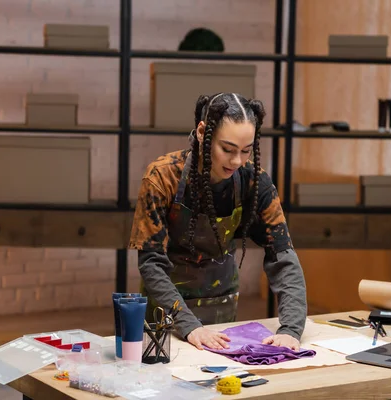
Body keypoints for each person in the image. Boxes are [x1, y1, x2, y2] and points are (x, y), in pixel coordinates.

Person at [128, 92, 307, 352]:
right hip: (165, 314)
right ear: (202, 132)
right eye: (228, 149)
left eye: (246, 151)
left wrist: (291, 329)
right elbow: (151, 263)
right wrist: (189, 326)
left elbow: (283, 257)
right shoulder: (163, 176)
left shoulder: (253, 182)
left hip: (222, 308)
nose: (237, 161)